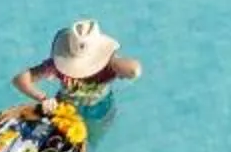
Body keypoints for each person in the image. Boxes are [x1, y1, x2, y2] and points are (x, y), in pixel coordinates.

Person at [14, 19, 142, 124]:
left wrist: (112, 60)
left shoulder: (109, 66)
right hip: (66, 108)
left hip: (100, 107)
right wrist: (42, 98)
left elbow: (134, 70)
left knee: (93, 140)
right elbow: (19, 80)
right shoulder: (56, 65)